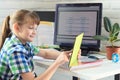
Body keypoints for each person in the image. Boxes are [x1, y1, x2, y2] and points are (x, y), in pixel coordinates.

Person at [0, 9, 80, 80]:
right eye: (31, 28)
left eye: (35, 28)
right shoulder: (16, 52)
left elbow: (46, 53)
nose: (35, 32)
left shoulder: (21, 43)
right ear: (17, 28)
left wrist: (67, 55)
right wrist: (57, 63)